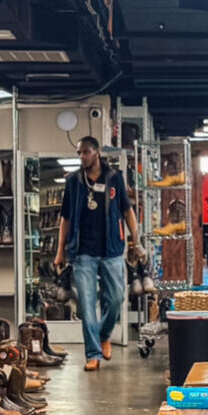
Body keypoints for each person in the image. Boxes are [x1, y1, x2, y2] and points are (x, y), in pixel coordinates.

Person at [55, 136, 139, 370]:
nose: (82, 156)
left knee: (116, 299)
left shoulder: (114, 178)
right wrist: (60, 251)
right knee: (87, 304)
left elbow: (127, 211)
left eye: (86, 152)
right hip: (83, 253)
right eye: (79, 153)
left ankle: (104, 334)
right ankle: (93, 353)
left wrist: (136, 239)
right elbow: (66, 219)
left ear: (97, 152)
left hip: (112, 250)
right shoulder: (73, 182)